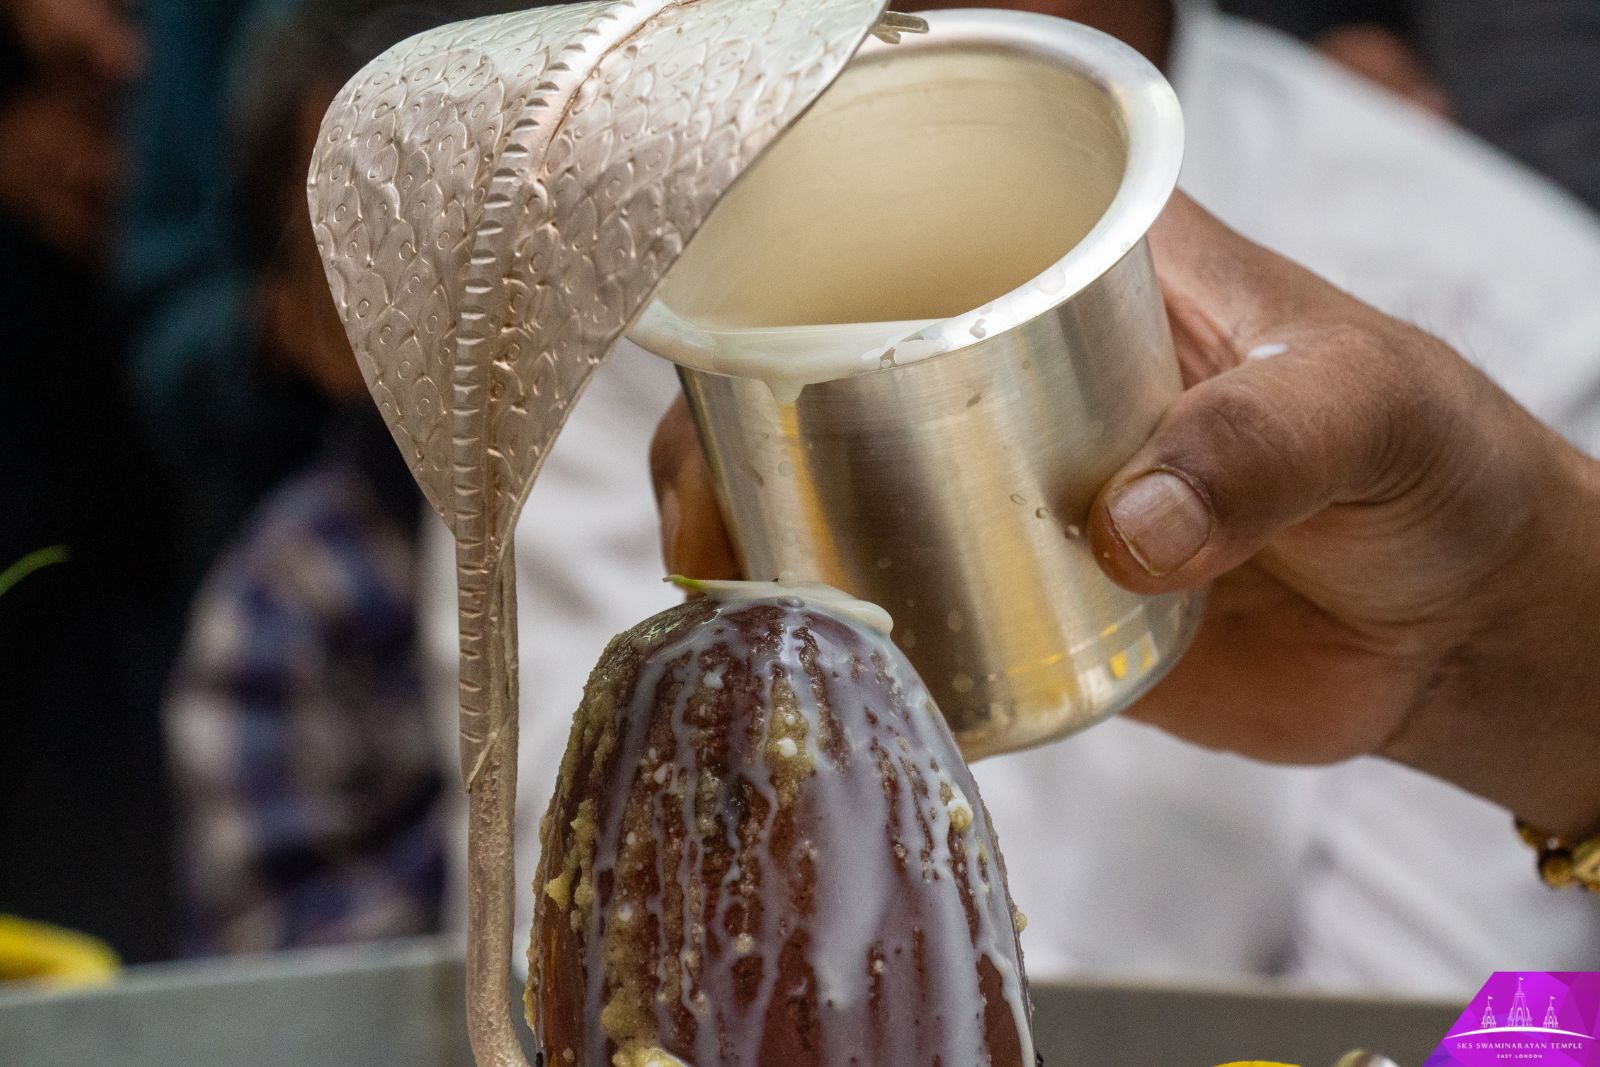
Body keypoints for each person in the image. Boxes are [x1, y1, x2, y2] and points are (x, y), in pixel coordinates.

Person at [413, 0, 1600, 997]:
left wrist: (1484, 663)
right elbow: (605, 926)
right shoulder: (599, 268)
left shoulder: (1518, 303)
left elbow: (1445, 1008)